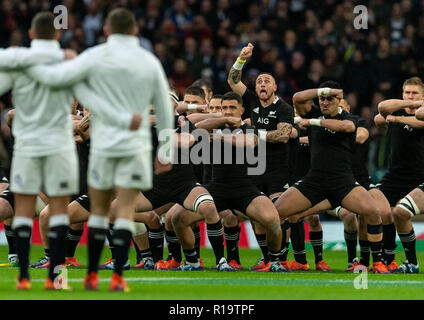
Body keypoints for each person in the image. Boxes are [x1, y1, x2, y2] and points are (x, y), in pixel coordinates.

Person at [23, 8, 175, 291]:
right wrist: (165, 150)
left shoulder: (94, 57)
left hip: (104, 147)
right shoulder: (147, 60)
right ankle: (118, 276)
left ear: (105, 30)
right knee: (124, 212)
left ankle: (90, 274)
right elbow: (166, 108)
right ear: (133, 31)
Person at [274, 81, 390, 274]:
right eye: (322, 99)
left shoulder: (350, 118)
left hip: (343, 182)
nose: (325, 102)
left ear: (339, 100)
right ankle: (276, 260)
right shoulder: (313, 112)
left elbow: (345, 127)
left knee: (373, 212)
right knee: (275, 213)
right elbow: (297, 98)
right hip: (315, 181)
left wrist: (311, 122)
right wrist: (322, 91)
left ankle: (376, 262)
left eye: (329, 99)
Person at [196, 91, 286, 272]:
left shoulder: (249, 129)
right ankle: (191, 261)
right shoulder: (214, 126)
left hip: (244, 187)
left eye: (232, 108)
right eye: (224, 108)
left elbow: (248, 142)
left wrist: (219, 136)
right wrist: (221, 120)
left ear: (242, 110)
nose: (227, 111)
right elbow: (197, 127)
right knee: (176, 218)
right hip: (216, 186)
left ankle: (274, 261)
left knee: (273, 220)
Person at [227, 43, 294, 271]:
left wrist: (257, 134)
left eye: (266, 81)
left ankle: (281, 258)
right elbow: (233, 81)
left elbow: (284, 135)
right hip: (254, 169)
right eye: (259, 82)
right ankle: (267, 258)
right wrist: (241, 59)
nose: (262, 84)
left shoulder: (284, 108)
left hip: (277, 170)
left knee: (277, 212)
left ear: (275, 86)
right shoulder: (253, 102)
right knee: (256, 216)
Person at [374, 76, 424, 271]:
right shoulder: (395, 109)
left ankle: (411, 262)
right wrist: (404, 107)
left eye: (414, 93)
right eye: (407, 92)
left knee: (400, 212)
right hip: (395, 177)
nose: (410, 96)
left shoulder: (405, 115)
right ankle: (387, 257)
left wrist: (396, 118)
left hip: (420, 177)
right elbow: (381, 111)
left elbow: (420, 120)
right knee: (372, 208)